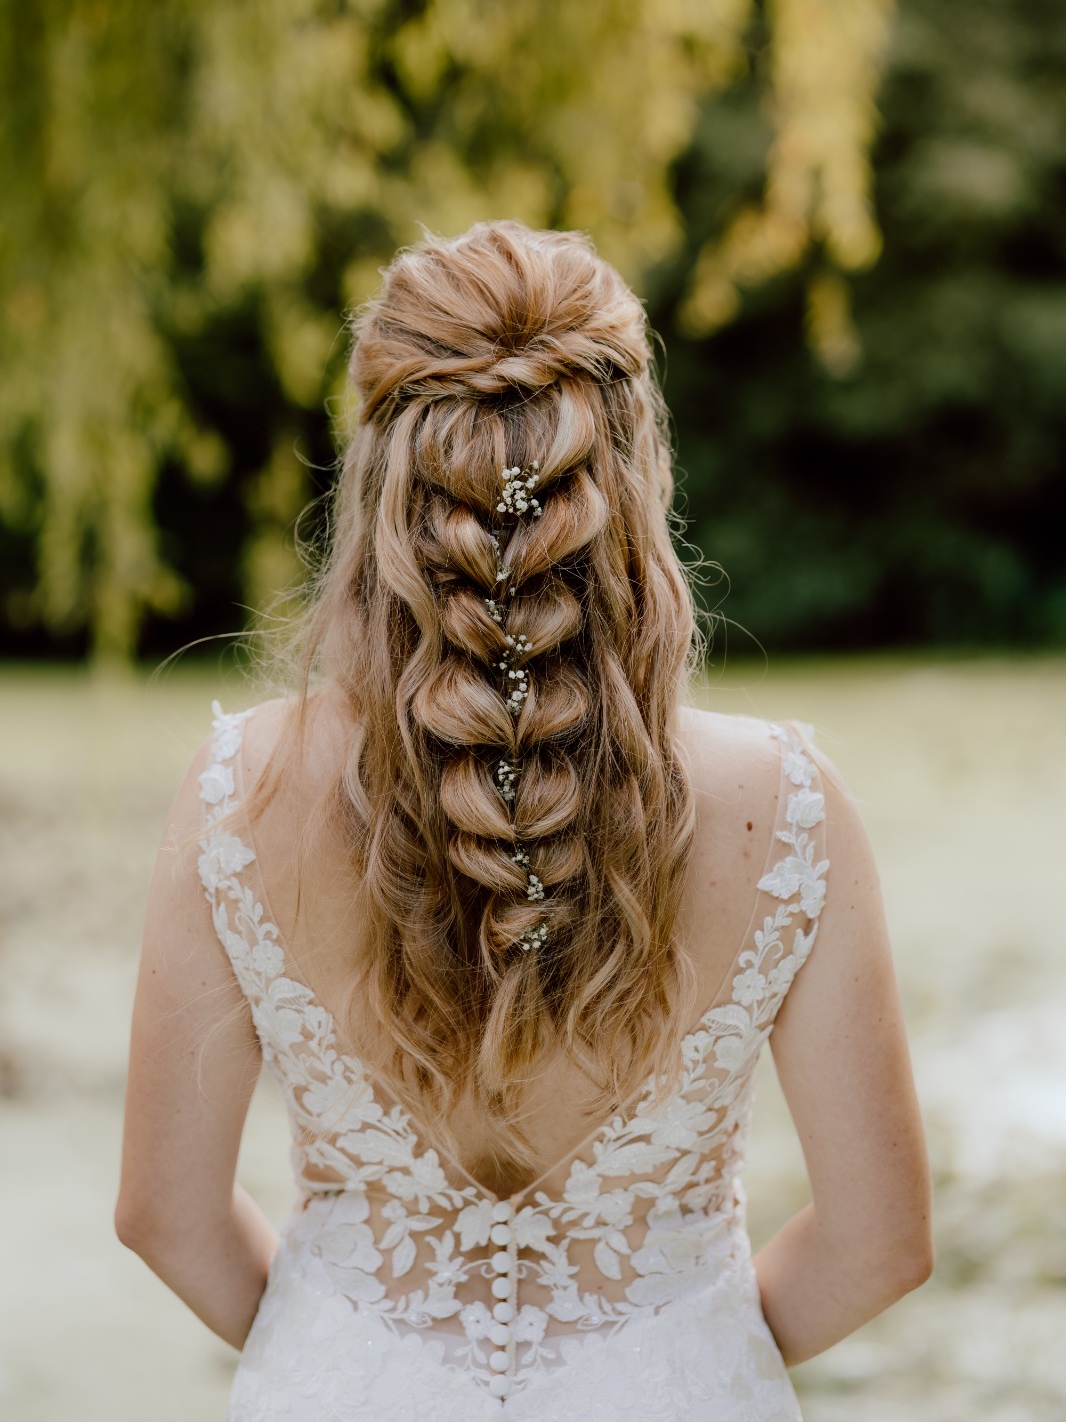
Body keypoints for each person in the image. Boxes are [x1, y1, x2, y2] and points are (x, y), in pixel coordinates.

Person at [116, 221, 933, 1420]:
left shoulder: (242, 789)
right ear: (633, 473)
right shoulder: (787, 806)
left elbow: (162, 1214)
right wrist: (672, 1347)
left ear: (385, 480)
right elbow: (880, 1244)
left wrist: (346, 1343)